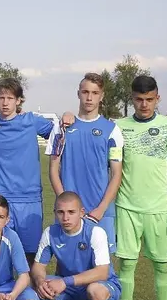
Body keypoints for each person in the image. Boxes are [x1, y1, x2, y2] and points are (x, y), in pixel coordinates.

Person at [113, 75, 167, 300]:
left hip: (160, 208)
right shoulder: (119, 126)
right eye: (139, 99)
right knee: (127, 264)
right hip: (127, 206)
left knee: (162, 266)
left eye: (149, 99)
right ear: (132, 99)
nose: (144, 104)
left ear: (158, 98)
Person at [32, 191, 120, 300]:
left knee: (95, 290)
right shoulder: (50, 233)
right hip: (71, 289)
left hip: (102, 285)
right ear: (55, 213)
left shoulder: (95, 232)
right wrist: (40, 282)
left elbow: (102, 272)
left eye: (71, 212)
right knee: (31, 290)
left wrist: (64, 281)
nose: (65, 218)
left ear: (81, 212)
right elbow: (38, 266)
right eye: (61, 212)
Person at [0, 78, 56, 262]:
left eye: (10, 98)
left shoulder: (31, 121)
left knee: (30, 255)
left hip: (29, 198)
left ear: (19, 100)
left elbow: (60, 134)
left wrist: (68, 116)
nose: (5, 103)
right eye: (1, 98)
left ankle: (30, 283)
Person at [46, 73, 123, 252]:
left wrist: (101, 209)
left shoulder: (112, 130)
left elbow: (116, 174)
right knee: (66, 263)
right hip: (69, 214)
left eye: (95, 93)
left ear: (101, 96)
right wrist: (67, 207)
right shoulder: (61, 128)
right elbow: (53, 170)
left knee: (101, 265)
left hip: (100, 212)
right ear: (78, 93)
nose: (89, 98)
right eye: (85, 92)